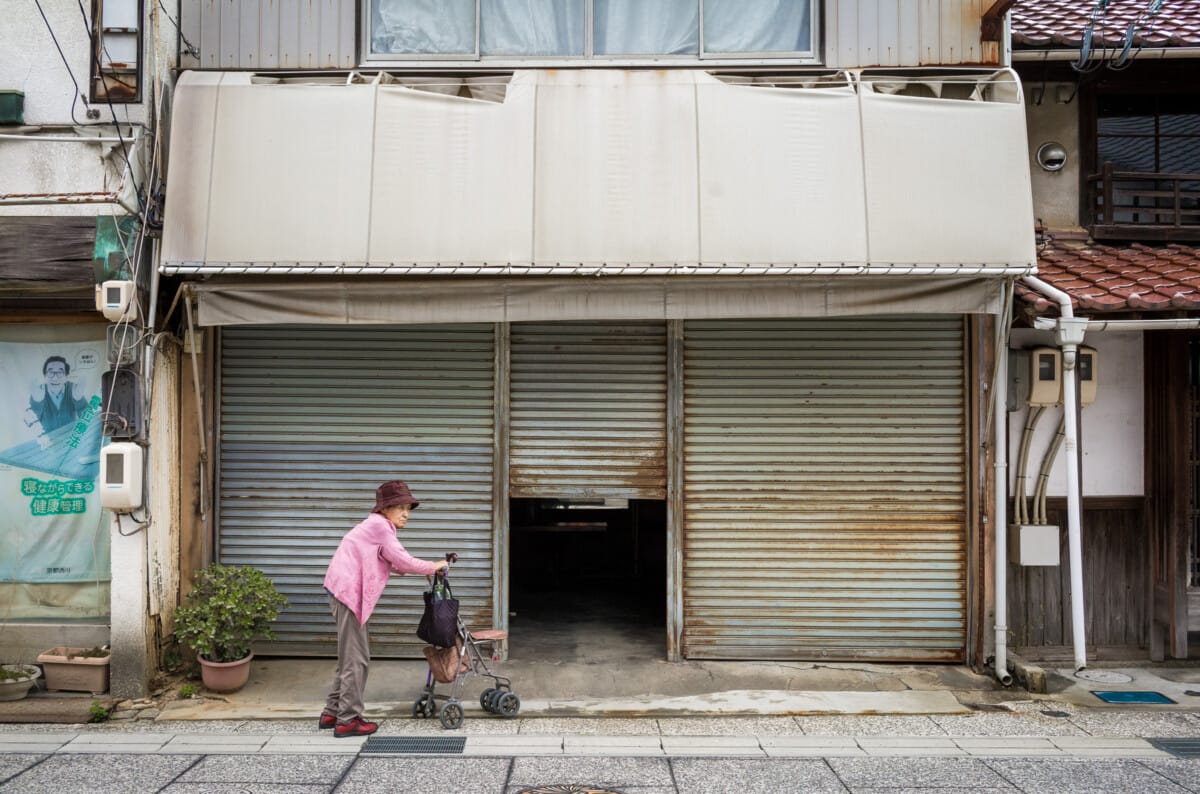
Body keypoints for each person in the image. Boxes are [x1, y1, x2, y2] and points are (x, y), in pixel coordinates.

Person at [320, 480, 449, 737]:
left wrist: (420, 567)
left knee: (350, 657)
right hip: (347, 594)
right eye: (399, 507)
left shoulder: (378, 527)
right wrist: (434, 565)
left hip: (343, 593)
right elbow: (402, 559)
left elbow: (393, 561)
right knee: (357, 659)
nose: (405, 513)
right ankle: (348, 719)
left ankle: (332, 712)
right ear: (383, 508)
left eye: (408, 508)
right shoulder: (380, 527)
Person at [25, 356, 88, 434]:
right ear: (45, 376)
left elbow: (87, 420)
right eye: (51, 372)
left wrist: (79, 400)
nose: (55, 378)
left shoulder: (74, 389)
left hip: (71, 441)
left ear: (66, 376)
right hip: (48, 443)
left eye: (60, 373)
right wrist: (37, 403)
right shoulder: (39, 391)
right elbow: (29, 424)